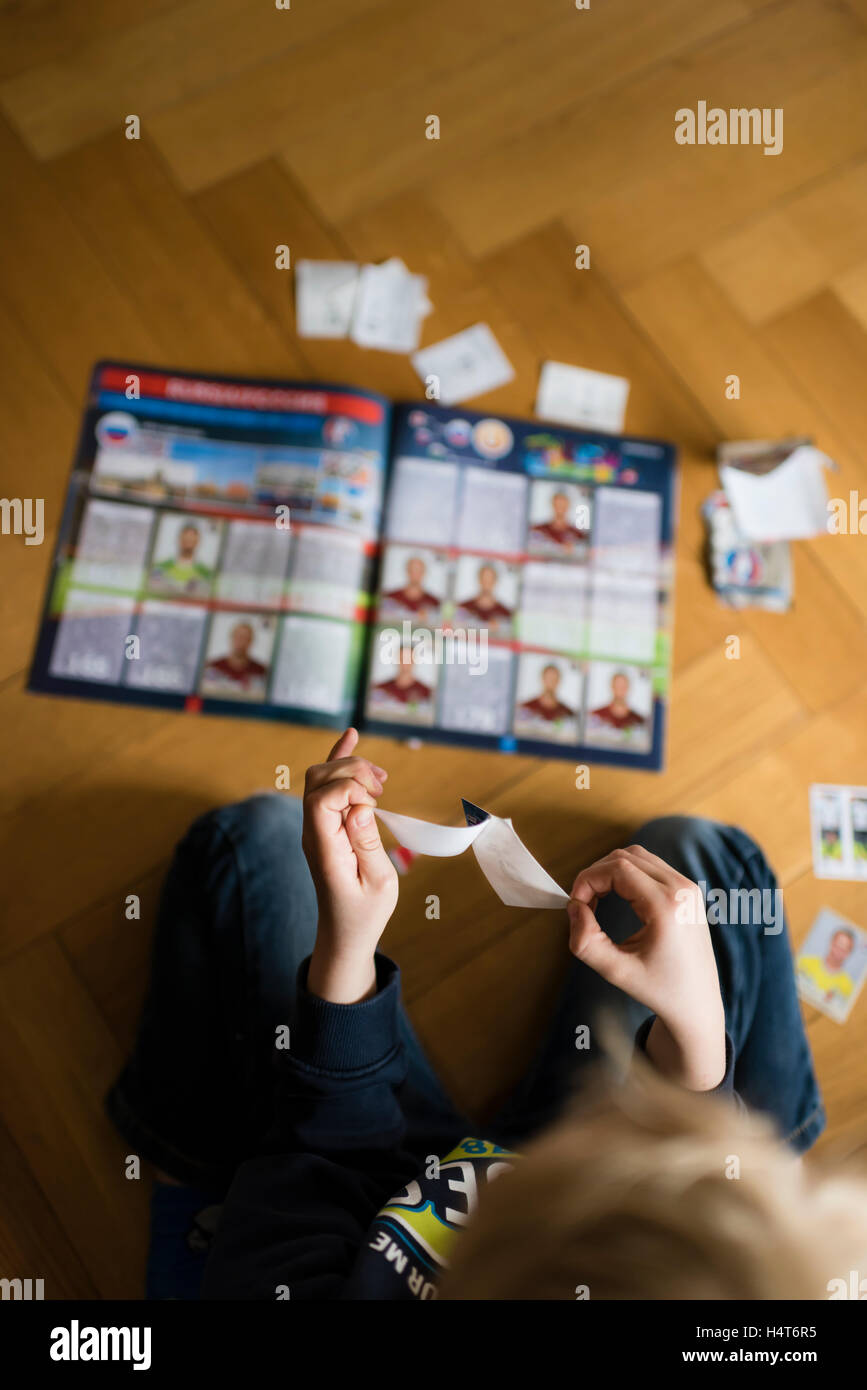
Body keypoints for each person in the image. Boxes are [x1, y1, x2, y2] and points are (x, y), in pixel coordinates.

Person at [106, 730, 839, 1301]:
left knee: (251, 842)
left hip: (366, 1188)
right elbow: (703, 1215)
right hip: (594, 1174)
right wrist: (697, 1040)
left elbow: (323, 1159)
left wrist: (345, 955)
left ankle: (193, 1173)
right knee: (698, 859)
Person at [202, 621, 267, 695]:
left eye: (245, 638)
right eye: (238, 637)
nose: (241, 642)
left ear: (251, 641)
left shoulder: (260, 671)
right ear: (231, 638)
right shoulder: (214, 666)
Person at [150, 521, 214, 597]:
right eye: (186, 536)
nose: (189, 539)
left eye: (192, 537)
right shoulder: (161, 566)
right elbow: (152, 590)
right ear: (179, 538)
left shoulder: (206, 572)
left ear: (198, 541)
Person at [798, 926, 856, 1008]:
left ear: (848, 953)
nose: (838, 950)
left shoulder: (848, 987)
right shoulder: (804, 962)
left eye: (844, 948)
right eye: (837, 945)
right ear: (831, 943)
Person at [457, 563, 512, 629]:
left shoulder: (505, 613)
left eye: (490, 580)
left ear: (495, 581)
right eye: (484, 579)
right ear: (479, 580)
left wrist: (499, 629)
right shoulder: (464, 607)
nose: (486, 583)